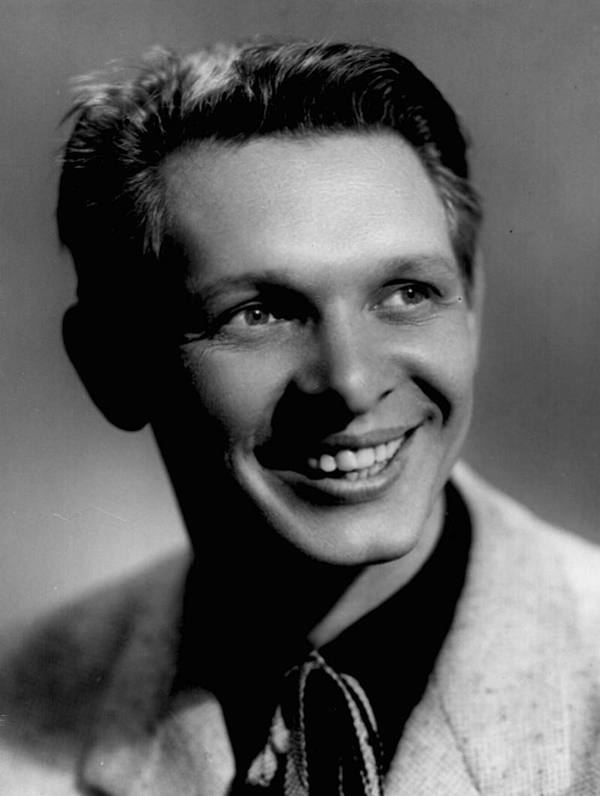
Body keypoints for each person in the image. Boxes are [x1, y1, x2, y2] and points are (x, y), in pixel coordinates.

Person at [1, 39, 600, 796]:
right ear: (111, 365)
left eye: (407, 293)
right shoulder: (22, 708)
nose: (350, 382)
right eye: (258, 313)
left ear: (471, 304)